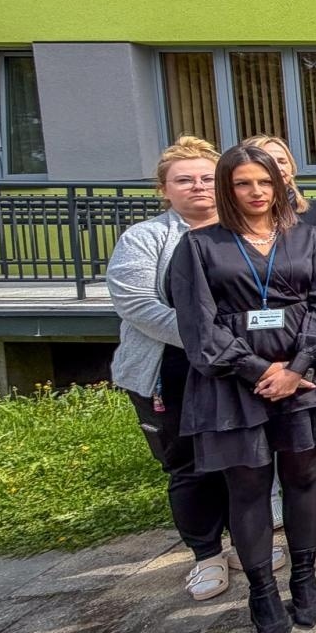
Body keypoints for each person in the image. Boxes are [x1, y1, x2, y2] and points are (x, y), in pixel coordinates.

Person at [168, 144, 316, 633]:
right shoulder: (201, 245)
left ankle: (305, 577)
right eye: (243, 184)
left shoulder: (307, 238)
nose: (256, 192)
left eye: (265, 182)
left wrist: (295, 368)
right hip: (233, 386)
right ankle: (261, 590)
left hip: (304, 377)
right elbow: (199, 327)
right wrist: (254, 369)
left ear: (280, 185)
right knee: (248, 485)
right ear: (228, 190)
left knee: (303, 475)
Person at [108, 137, 273, 602]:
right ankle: (206, 554)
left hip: (243, 367)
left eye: (206, 177)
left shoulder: (248, 232)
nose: (198, 187)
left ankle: (247, 544)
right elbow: (137, 304)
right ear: (165, 189)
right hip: (174, 367)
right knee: (189, 465)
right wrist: (216, 342)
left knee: (246, 460)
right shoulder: (144, 239)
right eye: (184, 180)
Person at [243, 135, 316, 235]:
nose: (278, 167)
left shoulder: (314, 211)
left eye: (282, 161)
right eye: (269, 161)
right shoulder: (236, 215)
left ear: (291, 166)